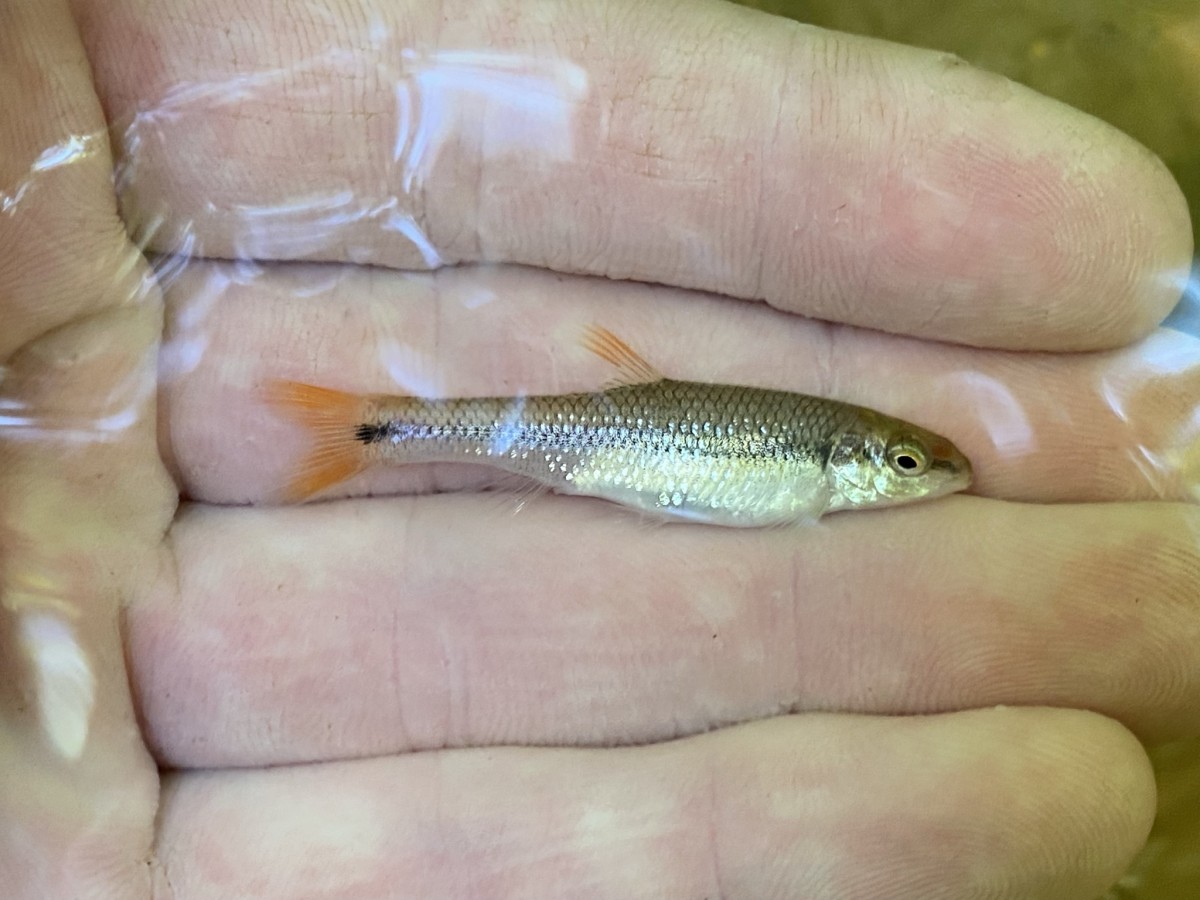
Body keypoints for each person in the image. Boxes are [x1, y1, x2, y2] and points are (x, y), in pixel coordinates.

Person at [2, 0, 1196, 897]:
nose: (918, 480)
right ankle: (371, 427)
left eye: (907, 469)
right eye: (901, 466)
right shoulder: (804, 465)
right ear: (852, 461)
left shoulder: (819, 462)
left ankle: (370, 428)